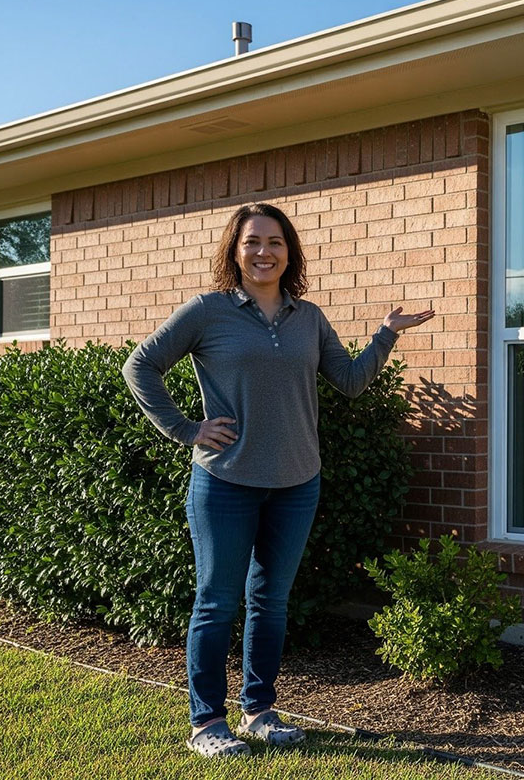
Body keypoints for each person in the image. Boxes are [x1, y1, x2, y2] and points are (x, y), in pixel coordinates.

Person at [122, 202, 434, 758]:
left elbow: (351, 382)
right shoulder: (208, 311)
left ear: (289, 253)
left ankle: (259, 711)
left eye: (275, 243)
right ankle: (207, 723)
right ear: (234, 250)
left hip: (297, 482)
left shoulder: (307, 317)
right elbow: (139, 365)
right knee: (217, 602)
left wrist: (385, 334)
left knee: (271, 602)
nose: (264, 252)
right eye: (252, 242)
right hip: (226, 481)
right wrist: (185, 428)